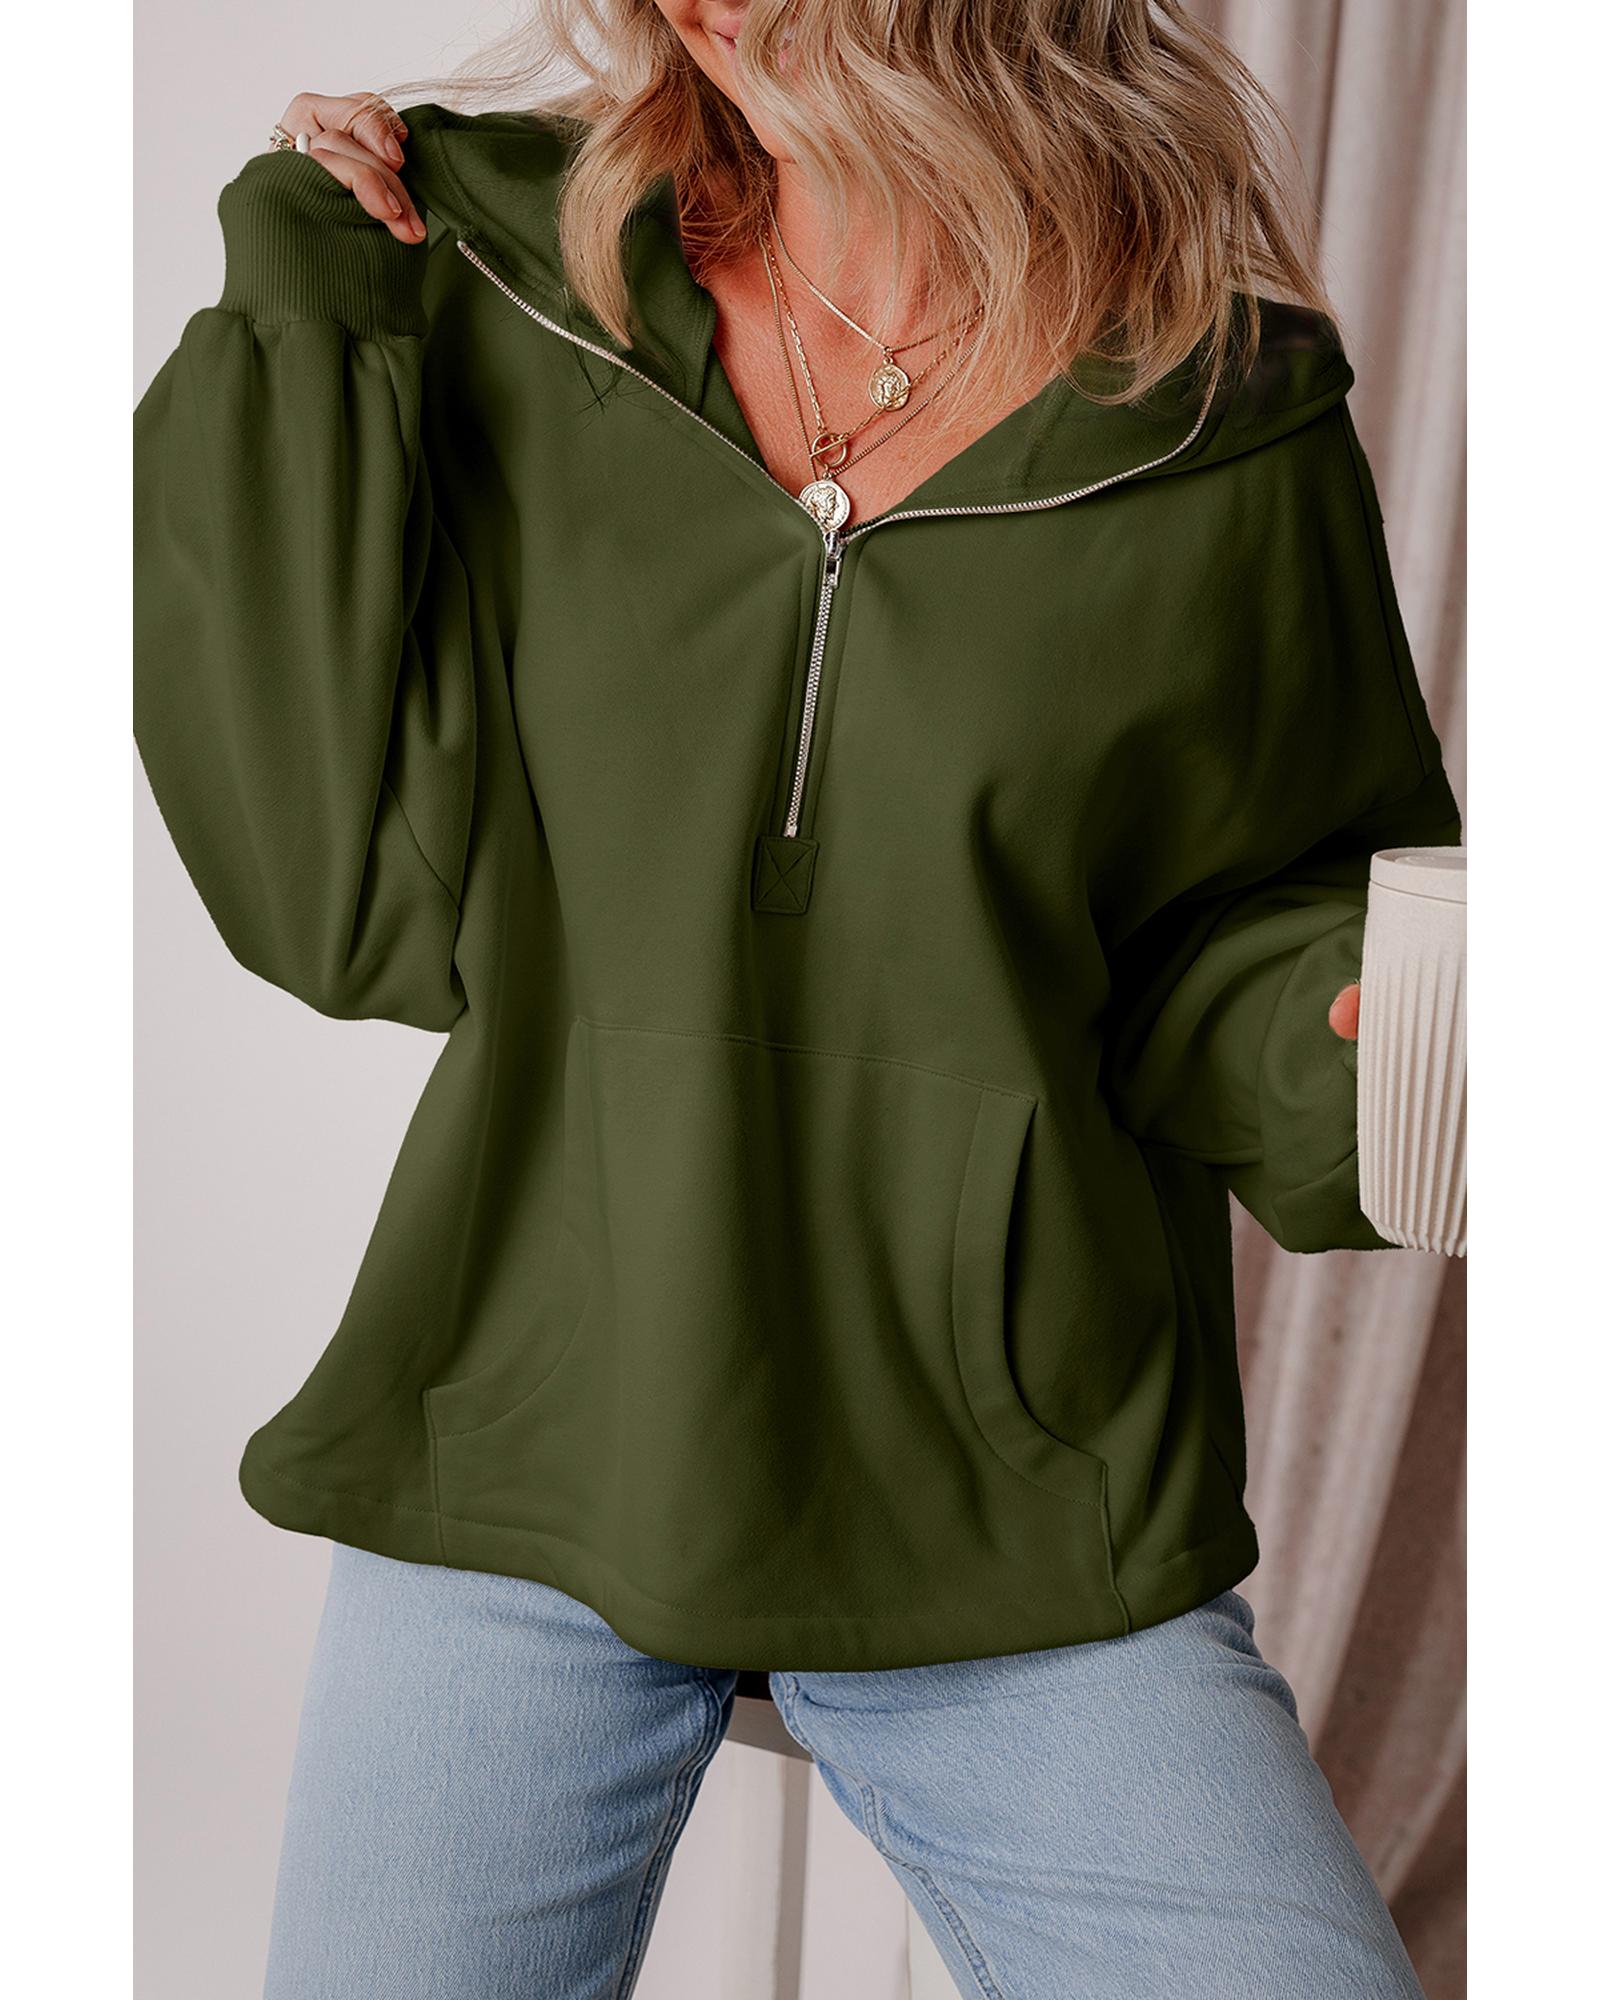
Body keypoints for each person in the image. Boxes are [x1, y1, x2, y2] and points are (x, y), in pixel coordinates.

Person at [133, 4, 1460, 1994]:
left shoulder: (1217, 410)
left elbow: (1245, 931)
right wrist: (306, 318)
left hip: (1009, 1487)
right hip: (535, 1433)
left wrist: (1370, 1030)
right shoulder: (500, 283)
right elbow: (330, 890)